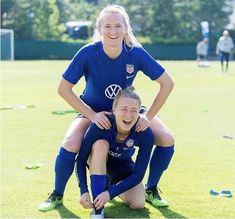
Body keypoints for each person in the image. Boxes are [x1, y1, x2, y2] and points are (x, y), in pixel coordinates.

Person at [38, 4, 174, 212]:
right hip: (92, 111)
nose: (113, 31)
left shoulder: (135, 53)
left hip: (126, 111)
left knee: (166, 138)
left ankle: (151, 189)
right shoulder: (88, 53)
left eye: (118, 26)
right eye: (107, 26)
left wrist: (149, 115)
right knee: (71, 141)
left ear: (126, 29)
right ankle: (57, 194)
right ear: (99, 29)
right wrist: (91, 115)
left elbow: (167, 83)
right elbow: (63, 89)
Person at [76, 86, 154, 218]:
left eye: (134, 110)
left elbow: (139, 174)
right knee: (101, 144)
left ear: (139, 113)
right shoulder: (100, 125)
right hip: (97, 161)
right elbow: (81, 160)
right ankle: (98, 209)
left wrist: (110, 193)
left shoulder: (145, 133)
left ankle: (108, 185)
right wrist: (84, 191)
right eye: (124, 109)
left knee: (138, 203)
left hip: (121, 165)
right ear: (114, 110)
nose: (129, 115)